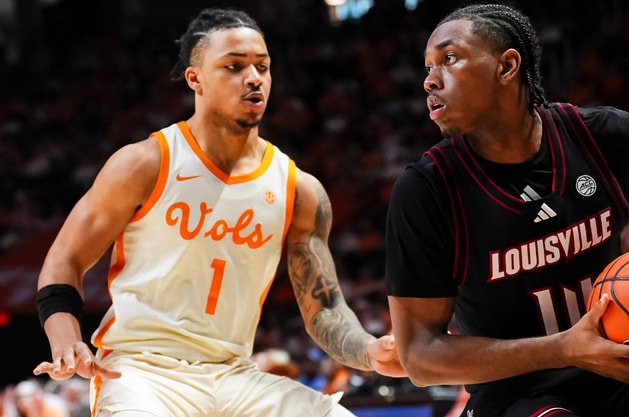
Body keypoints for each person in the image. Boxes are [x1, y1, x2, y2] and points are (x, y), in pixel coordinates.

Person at [32, 7, 404, 417]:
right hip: (141, 372)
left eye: (262, 66)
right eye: (234, 66)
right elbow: (66, 259)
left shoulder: (299, 190)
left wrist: (369, 350)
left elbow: (326, 307)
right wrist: (66, 338)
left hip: (235, 376)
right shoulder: (144, 163)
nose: (253, 78)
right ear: (196, 79)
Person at [384, 3, 629, 417]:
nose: (429, 80)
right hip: (515, 393)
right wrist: (563, 349)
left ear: (507, 66)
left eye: (449, 59)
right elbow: (420, 356)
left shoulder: (600, 135)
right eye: (426, 68)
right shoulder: (426, 191)